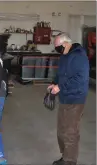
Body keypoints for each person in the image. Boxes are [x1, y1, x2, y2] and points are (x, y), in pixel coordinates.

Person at [48, 33, 89, 165]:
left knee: (70, 131)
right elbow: (60, 74)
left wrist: (60, 87)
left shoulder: (79, 56)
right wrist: (54, 83)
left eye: (58, 47)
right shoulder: (65, 56)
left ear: (66, 44)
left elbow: (79, 79)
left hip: (75, 98)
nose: (57, 51)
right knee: (61, 130)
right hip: (65, 97)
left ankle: (70, 161)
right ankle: (65, 156)